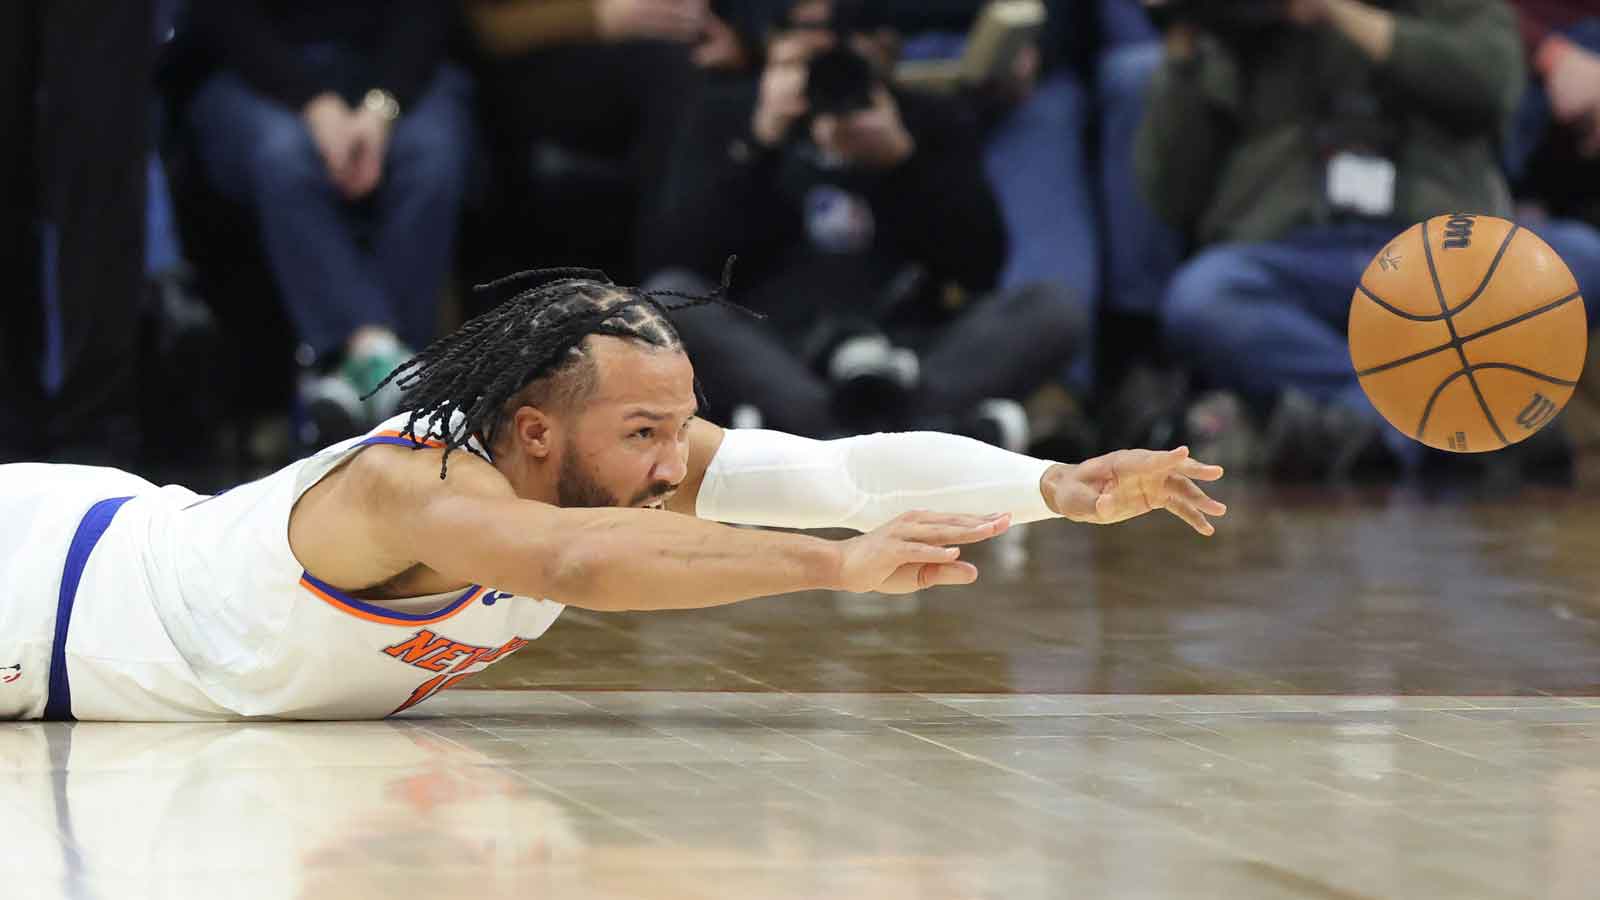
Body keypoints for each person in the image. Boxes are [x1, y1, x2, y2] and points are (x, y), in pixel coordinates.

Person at [0, 268, 1226, 722]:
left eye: (680, 426)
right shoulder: (408, 486)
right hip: (35, 589)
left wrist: (1054, 488)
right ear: (533, 431)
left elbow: (845, 471)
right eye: (644, 431)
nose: (672, 464)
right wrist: (833, 570)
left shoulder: (614, 470)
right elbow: (578, 569)